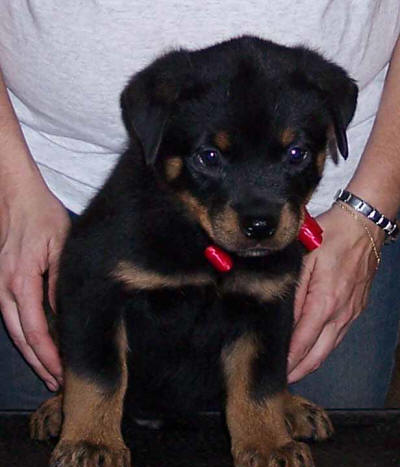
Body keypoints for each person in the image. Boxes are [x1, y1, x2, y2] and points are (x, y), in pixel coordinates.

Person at [0, 1, 399, 410]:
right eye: (211, 158)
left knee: (337, 434)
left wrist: (370, 209)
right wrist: (10, 187)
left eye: (295, 155)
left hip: (341, 222)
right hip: (39, 191)